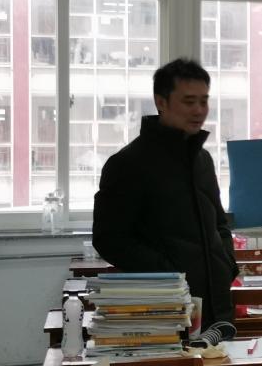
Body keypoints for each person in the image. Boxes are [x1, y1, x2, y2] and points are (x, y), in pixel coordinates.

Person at [92, 58, 238, 333]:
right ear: (161, 102)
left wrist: (226, 264)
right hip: (163, 308)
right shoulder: (128, 163)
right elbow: (109, 238)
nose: (199, 110)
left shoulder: (203, 160)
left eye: (204, 101)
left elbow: (219, 223)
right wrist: (169, 274)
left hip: (217, 305)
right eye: (189, 101)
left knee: (218, 361)